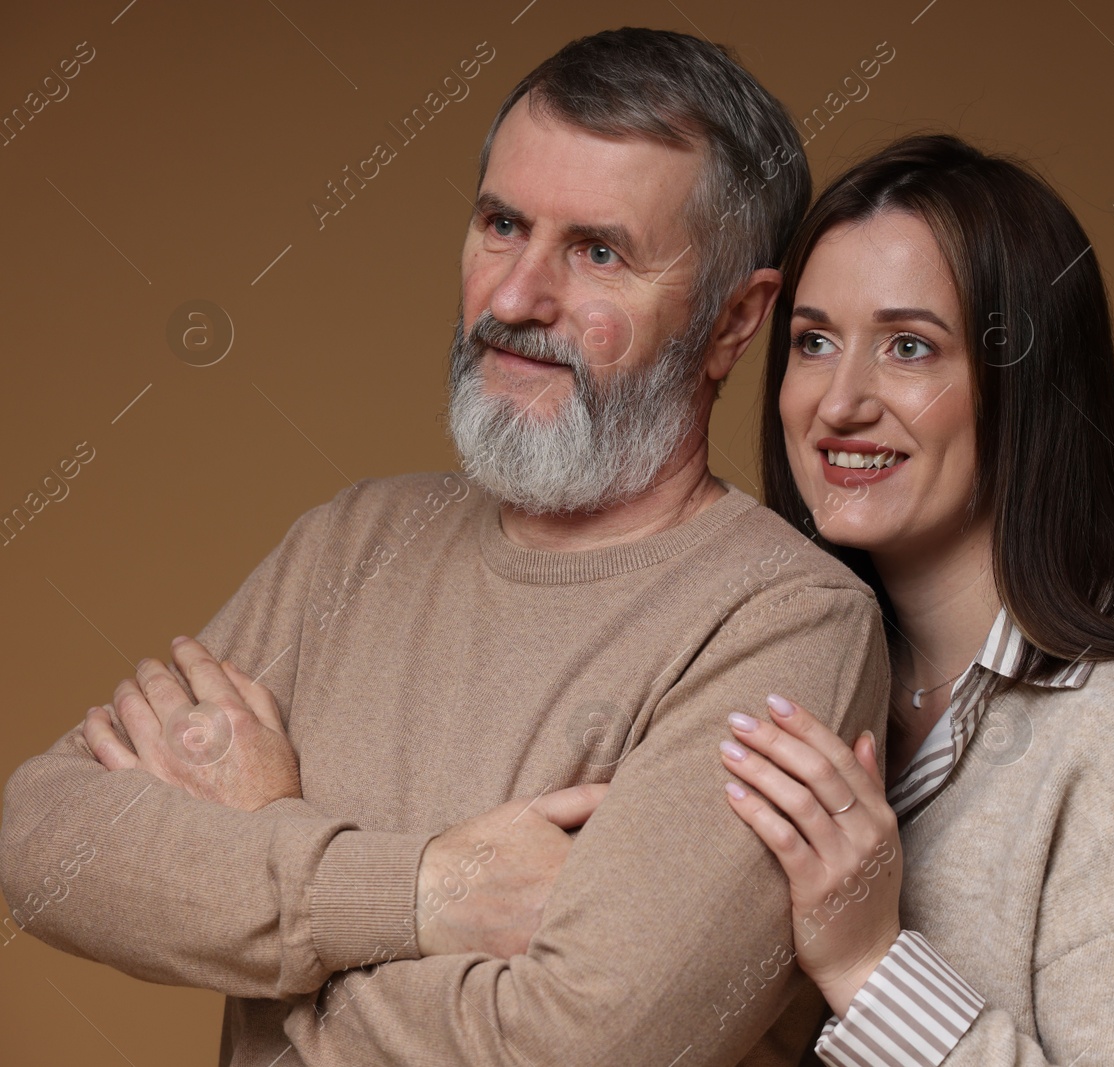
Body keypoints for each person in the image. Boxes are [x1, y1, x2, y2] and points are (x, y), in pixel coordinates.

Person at [0, 28, 891, 1067]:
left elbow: (581, 1046)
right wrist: (419, 889)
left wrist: (263, 861)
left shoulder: (785, 620)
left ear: (736, 323)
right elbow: (42, 839)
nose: (515, 299)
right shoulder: (355, 538)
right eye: (502, 225)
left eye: (598, 252)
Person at [714, 134, 1114, 1065]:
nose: (838, 403)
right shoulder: (792, 672)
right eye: (814, 341)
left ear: (1029, 385)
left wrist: (872, 963)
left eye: (909, 346)